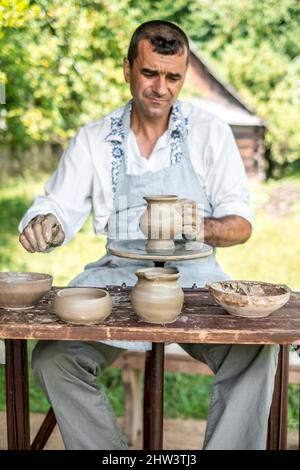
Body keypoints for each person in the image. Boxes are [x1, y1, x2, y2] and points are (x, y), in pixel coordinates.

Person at [19, 20, 278, 450]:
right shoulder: (95, 139)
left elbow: (241, 224)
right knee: (53, 358)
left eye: (173, 76)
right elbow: (58, 206)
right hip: (117, 280)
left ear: (184, 75)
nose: (161, 87)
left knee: (256, 352)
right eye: (149, 73)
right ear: (127, 69)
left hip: (194, 280)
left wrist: (202, 227)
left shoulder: (210, 132)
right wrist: (45, 223)